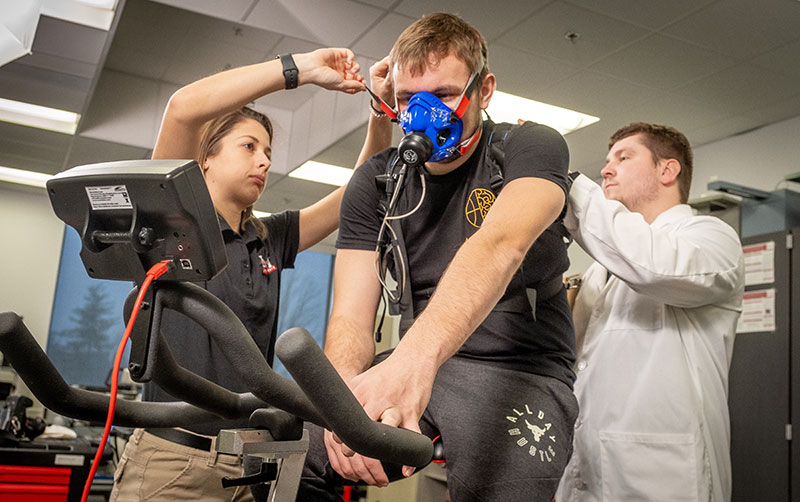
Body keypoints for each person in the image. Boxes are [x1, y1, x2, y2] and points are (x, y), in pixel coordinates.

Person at [299, 13, 578, 502]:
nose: (425, 112)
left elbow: (500, 244)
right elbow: (350, 318)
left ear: (483, 91)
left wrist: (412, 365)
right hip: (417, 360)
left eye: (445, 94)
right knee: (297, 448)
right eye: (410, 98)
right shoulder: (377, 182)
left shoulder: (529, 147)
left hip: (522, 369)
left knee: (502, 486)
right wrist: (342, 403)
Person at [109, 48, 366, 502]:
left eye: (268, 152)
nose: (264, 161)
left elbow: (358, 192)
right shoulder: (172, 226)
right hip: (173, 464)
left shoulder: (269, 238)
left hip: (249, 469)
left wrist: (379, 110)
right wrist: (300, 70)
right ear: (205, 158)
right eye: (249, 147)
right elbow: (183, 109)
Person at [556, 123, 744, 501]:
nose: (606, 169)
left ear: (667, 170)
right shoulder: (601, 269)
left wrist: (570, 184)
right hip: (586, 474)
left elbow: (652, 265)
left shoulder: (712, 238)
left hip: (664, 480)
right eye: (607, 160)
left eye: (623, 158)